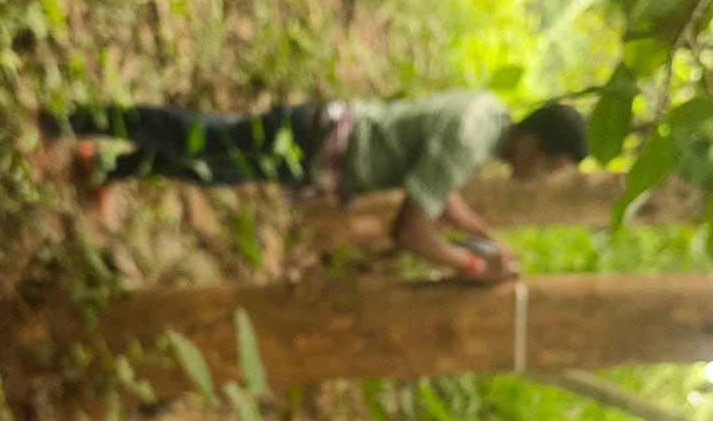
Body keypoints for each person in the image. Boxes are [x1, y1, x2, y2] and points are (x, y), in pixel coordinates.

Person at [40, 93, 588, 282]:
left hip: (318, 146)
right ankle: (71, 122)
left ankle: (102, 167)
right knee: (200, 139)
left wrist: (480, 233)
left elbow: (434, 190)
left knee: (210, 163)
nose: (541, 178)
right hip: (311, 144)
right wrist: (470, 265)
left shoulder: (489, 117)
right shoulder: (470, 139)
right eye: (549, 167)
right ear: (535, 146)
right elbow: (409, 230)